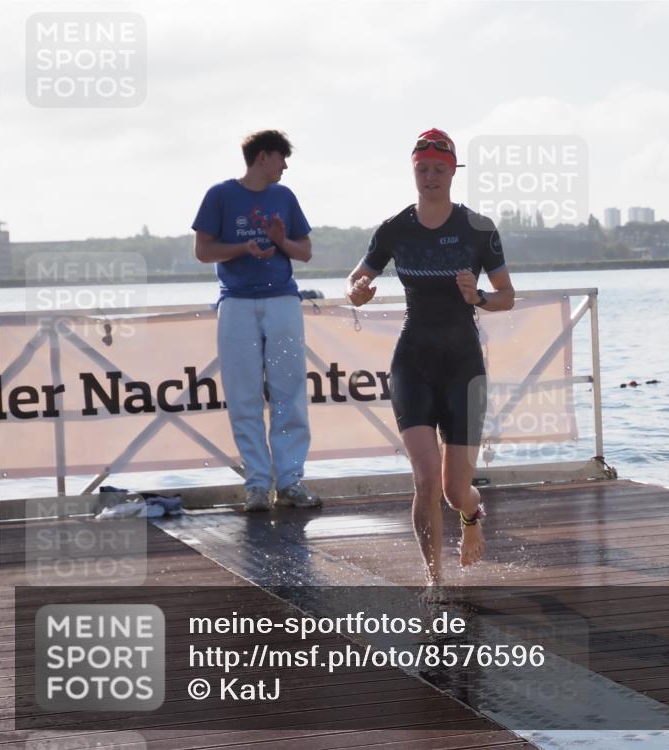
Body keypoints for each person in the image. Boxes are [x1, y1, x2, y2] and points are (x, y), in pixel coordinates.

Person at [346, 128, 515, 585]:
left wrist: (477, 296)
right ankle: (434, 581)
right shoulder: (394, 229)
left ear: (453, 171)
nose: (431, 177)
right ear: (413, 171)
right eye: (423, 169)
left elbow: (507, 297)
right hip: (413, 362)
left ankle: (472, 514)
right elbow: (355, 282)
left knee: (456, 490)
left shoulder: (478, 229)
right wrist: (358, 291)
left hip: (463, 366)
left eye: (440, 169)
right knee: (424, 479)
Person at [192, 129, 321, 512]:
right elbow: (203, 251)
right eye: (282, 158)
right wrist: (243, 248)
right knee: (243, 395)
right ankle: (257, 486)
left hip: (281, 299)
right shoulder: (220, 195)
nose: (285, 166)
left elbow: (306, 252)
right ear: (264, 157)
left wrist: (281, 242)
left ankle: (291, 482)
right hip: (237, 303)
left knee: (289, 392)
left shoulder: (285, 197)